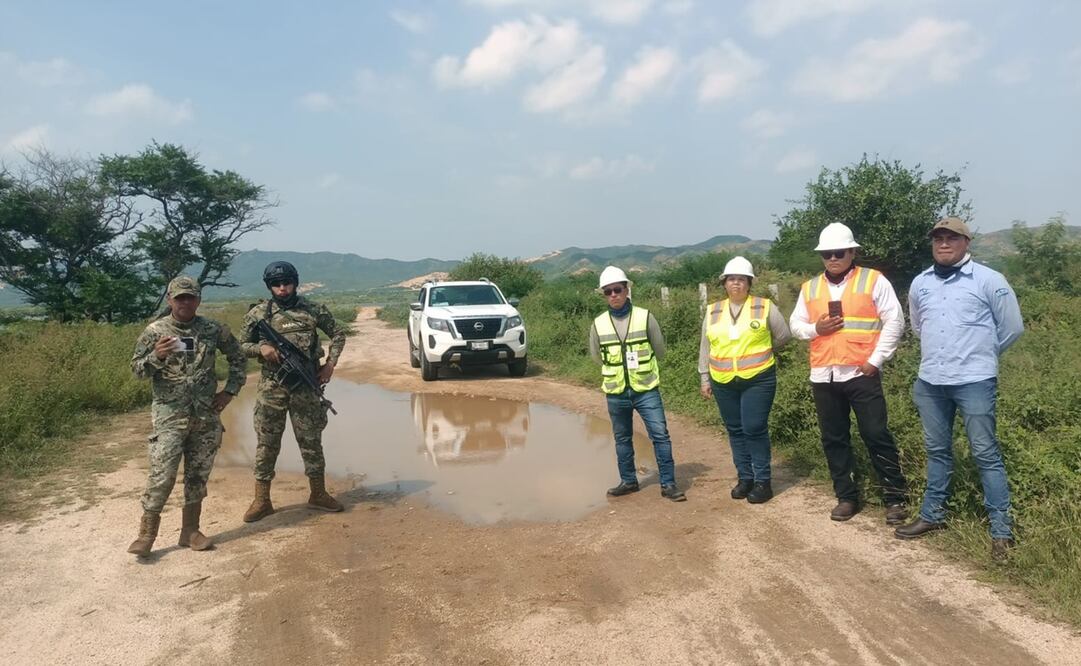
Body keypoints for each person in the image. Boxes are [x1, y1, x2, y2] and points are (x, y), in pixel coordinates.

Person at [895, 217, 1024, 561]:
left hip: (975, 382)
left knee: (986, 454)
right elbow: (919, 326)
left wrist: (980, 355)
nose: (944, 244)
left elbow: (1012, 327)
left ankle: (1001, 533)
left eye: (952, 238)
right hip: (931, 381)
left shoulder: (989, 280)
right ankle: (932, 516)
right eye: (938, 238)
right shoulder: (921, 283)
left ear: (967, 242)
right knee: (937, 451)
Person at [789, 223, 908, 524]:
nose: (832, 258)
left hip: (860, 372)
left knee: (876, 434)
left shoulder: (873, 280)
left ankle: (894, 498)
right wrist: (816, 328)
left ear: (852, 252)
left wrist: (877, 360)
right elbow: (795, 325)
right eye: (826, 254)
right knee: (834, 437)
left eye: (838, 252)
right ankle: (846, 496)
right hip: (824, 375)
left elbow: (894, 320)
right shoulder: (811, 287)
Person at [127, 276, 246, 557]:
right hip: (170, 416)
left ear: (198, 300)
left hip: (205, 416)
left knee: (198, 476)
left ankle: (190, 531)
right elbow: (137, 370)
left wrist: (229, 391)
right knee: (162, 474)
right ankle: (146, 535)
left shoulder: (212, 329)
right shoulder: (155, 331)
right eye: (179, 298)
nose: (185, 302)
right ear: (169, 300)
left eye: (190, 297)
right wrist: (156, 356)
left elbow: (238, 357)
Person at [239, 261, 347, 522]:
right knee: (267, 444)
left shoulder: (312, 309)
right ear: (269, 286)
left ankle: (318, 494)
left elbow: (339, 334)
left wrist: (330, 365)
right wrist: (260, 349)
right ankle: (262, 500)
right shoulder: (258, 314)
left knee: (311, 441)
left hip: (306, 385)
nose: (282, 288)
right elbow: (241, 344)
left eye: (287, 282)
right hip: (271, 387)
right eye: (276, 284)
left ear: (295, 282)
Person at [699, 257, 791, 503]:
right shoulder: (713, 310)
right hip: (722, 380)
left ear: (749, 283)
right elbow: (705, 346)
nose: (736, 284)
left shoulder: (764, 306)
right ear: (724, 283)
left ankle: (763, 482)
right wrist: (704, 378)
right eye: (731, 279)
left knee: (754, 428)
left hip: (758, 379)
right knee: (735, 430)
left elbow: (783, 335)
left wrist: (762, 350)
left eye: (741, 279)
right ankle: (745, 478)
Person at [590, 266, 685, 502]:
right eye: (608, 291)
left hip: (646, 390)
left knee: (660, 435)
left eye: (617, 290)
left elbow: (660, 350)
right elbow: (596, 356)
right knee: (622, 438)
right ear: (604, 294)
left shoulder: (645, 317)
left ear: (627, 290)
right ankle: (628, 481)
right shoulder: (598, 323)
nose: (613, 295)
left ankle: (669, 484)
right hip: (616, 392)